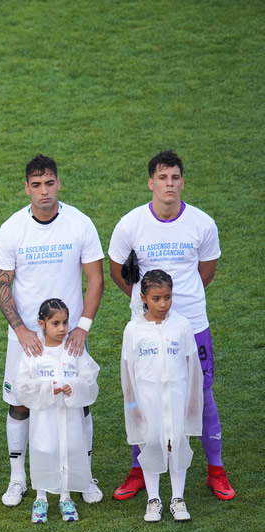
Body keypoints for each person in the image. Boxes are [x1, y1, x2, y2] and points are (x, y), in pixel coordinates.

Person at [107, 150, 231, 501]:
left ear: (182, 182)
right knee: (139, 395)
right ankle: (139, 469)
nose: (169, 184)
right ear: (151, 183)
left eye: (175, 178)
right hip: (144, 327)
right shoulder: (130, 224)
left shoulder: (202, 223)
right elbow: (118, 271)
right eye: (162, 178)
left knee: (202, 393)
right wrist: (148, 306)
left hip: (191, 324)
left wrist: (176, 308)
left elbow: (206, 272)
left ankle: (216, 471)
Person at [0, 155, 104, 507]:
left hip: (69, 337)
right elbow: (0, 282)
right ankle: (17, 479)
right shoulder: (12, 228)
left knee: (78, 402)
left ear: (59, 183)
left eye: (49, 183)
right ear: (26, 188)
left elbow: (95, 278)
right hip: (24, 339)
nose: (44, 191)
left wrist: (82, 327)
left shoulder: (79, 223)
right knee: (21, 404)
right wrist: (22, 330)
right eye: (36, 185)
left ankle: (84, 476)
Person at [121, 270, 202, 523]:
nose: (163, 304)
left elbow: (192, 367)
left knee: (177, 443)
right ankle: (153, 499)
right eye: (156, 298)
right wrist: (133, 406)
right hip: (147, 399)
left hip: (177, 396)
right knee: (152, 443)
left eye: (167, 297)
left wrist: (191, 402)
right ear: (143, 297)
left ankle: (177, 498)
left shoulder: (182, 325)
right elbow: (128, 372)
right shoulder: (133, 330)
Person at [13, 298, 100, 524]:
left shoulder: (73, 351)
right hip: (44, 417)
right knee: (44, 449)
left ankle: (65, 496)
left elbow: (89, 376)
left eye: (65, 323)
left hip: (69, 415)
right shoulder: (34, 353)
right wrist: (46, 389)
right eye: (56, 323)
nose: (62, 329)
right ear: (42, 324)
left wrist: (75, 387)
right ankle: (41, 498)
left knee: (68, 450)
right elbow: (21, 384)